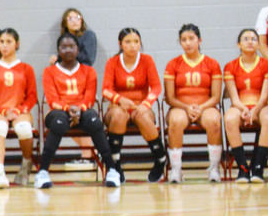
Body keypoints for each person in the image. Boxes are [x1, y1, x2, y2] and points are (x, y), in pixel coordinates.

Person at [39, 33, 120, 189]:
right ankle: (42, 172)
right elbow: (52, 100)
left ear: (78, 49)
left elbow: (89, 98)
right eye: (64, 47)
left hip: (82, 109)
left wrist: (79, 110)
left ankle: (111, 170)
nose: (68, 50)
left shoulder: (88, 71)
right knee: (58, 123)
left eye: (72, 46)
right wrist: (68, 109)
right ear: (58, 50)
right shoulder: (49, 71)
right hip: (59, 110)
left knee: (95, 122)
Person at [101, 28, 167, 183]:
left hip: (140, 105)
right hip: (118, 107)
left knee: (143, 116)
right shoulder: (113, 62)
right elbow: (105, 89)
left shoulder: (147, 60)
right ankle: (115, 164)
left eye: (136, 42)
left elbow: (156, 87)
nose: (132, 45)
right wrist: (119, 99)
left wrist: (146, 103)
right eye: (128, 42)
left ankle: (160, 158)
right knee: (119, 115)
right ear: (120, 44)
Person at [162, 24, 223, 184]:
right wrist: (187, 107)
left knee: (214, 120)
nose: (188, 43)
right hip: (180, 107)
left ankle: (214, 168)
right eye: (183, 40)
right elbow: (169, 97)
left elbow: (216, 96)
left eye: (191, 39)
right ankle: (176, 169)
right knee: (176, 121)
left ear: (199, 40)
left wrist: (201, 107)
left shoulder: (212, 64)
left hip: (206, 106)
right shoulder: (173, 64)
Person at [0, 28, 37, 189]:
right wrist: (3, 111)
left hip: (19, 110)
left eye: (9, 42)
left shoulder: (26, 68)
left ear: (17, 44)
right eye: (1, 42)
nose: (4, 45)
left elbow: (32, 96)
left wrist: (19, 110)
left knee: (24, 128)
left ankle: (26, 164)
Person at [223, 29, 268, 183]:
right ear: (238, 44)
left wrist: (255, 110)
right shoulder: (230, 66)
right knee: (229, 119)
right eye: (245, 39)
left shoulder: (267, 65)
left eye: (254, 39)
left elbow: (266, 95)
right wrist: (244, 109)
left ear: (258, 44)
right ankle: (243, 168)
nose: (250, 42)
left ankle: (258, 168)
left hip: (262, 105)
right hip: (240, 105)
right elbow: (234, 97)